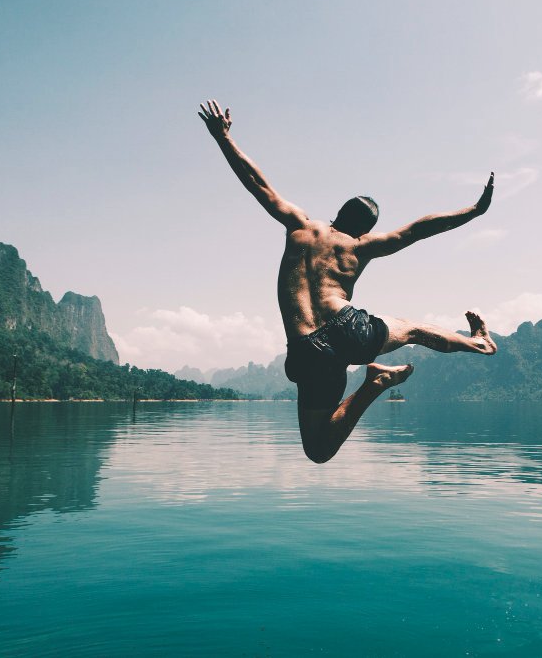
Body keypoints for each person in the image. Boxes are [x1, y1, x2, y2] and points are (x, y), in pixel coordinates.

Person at [199, 99, 497, 463]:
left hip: (307, 349)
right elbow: (419, 229)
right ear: (366, 229)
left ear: (337, 212)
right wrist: (474, 210)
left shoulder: (300, 226)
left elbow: (257, 184)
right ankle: (477, 343)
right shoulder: (360, 246)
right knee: (415, 330)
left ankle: (374, 384)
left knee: (319, 450)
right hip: (349, 327)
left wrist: (223, 138)